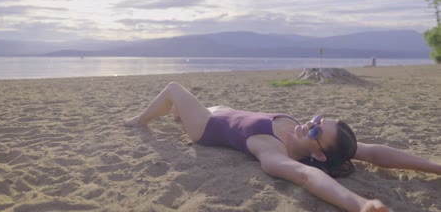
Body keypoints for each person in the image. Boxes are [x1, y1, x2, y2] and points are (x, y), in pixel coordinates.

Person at [124, 82, 441, 212]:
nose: (309, 122)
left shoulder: (272, 152)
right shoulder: (315, 141)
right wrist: (435, 166)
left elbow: (307, 178)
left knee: (174, 89)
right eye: (318, 118)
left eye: (315, 128)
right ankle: (173, 113)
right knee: (178, 106)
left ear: (318, 154)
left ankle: (139, 121)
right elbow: (372, 151)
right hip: (220, 109)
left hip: (205, 126)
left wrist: (360, 204)